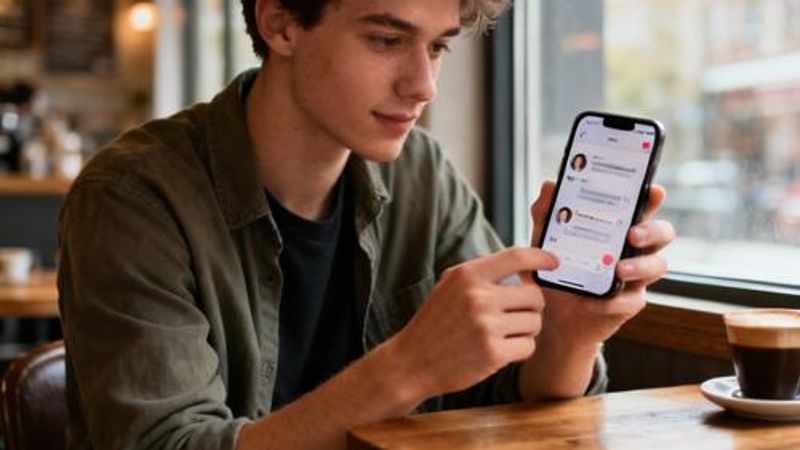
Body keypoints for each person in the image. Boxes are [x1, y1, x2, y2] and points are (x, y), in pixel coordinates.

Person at [57, 0, 675, 449]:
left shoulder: (422, 173)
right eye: (385, 40)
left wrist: (568, 334)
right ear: (281, 23)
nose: (424, 84)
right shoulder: (133, 197)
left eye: (437, 46)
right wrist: (408, 368)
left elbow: (511, 397)